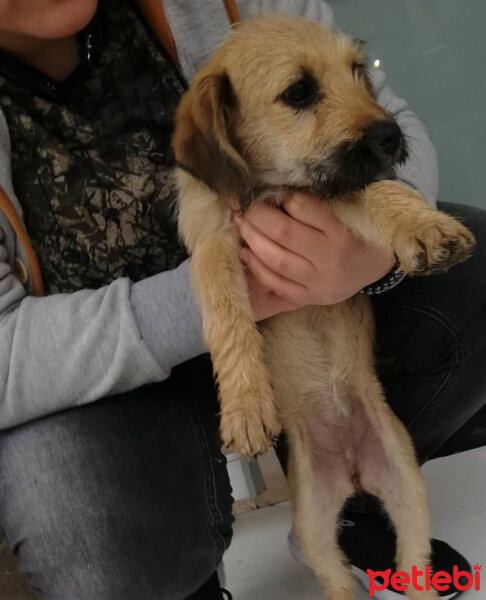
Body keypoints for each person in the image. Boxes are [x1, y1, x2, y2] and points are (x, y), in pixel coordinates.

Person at [0, 1, 484, 599]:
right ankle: (183, 583)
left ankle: (356, 516)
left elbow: (388, 117)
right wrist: (244, 296)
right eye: (301, 93)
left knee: (476, 270)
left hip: (310, 340)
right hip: (84, 375)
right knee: (89, 533)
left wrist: (375, 256)